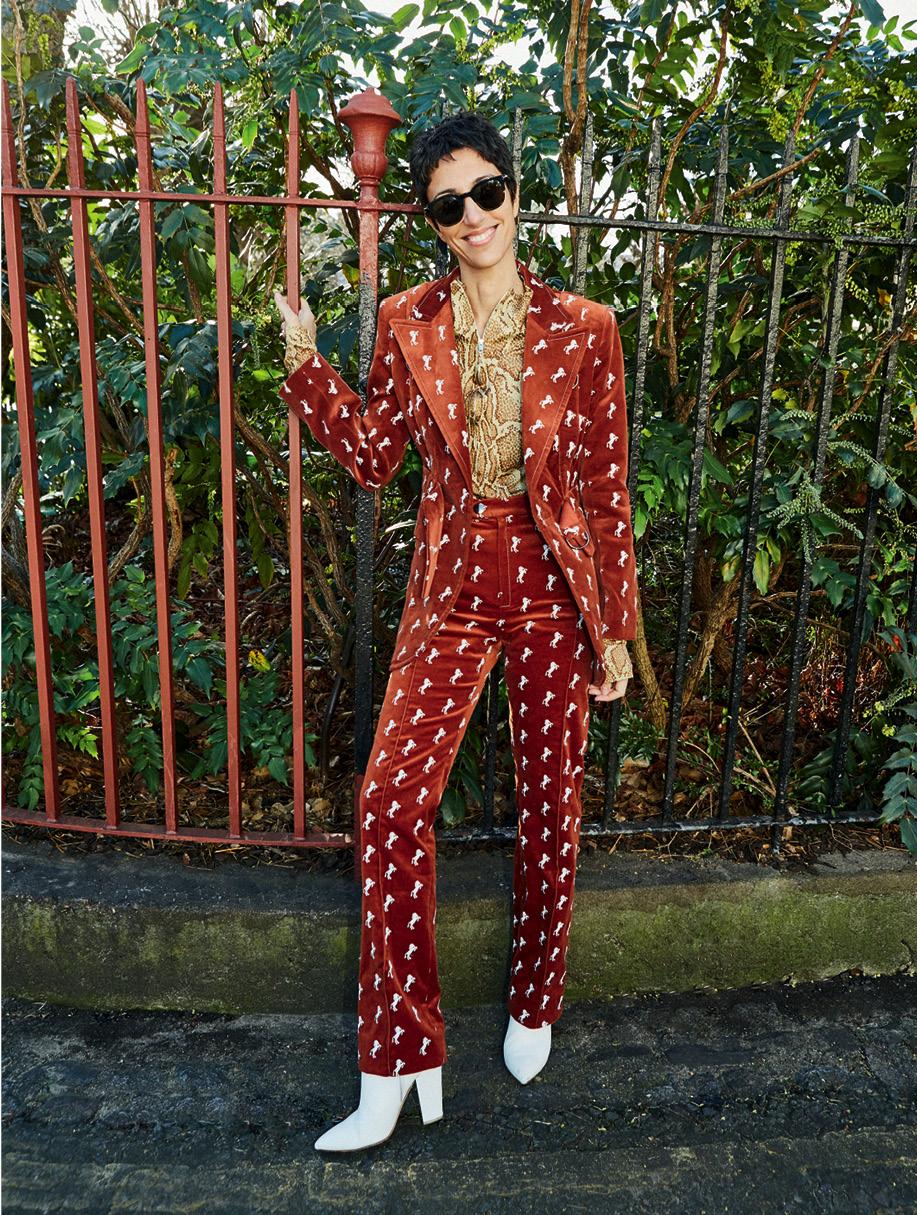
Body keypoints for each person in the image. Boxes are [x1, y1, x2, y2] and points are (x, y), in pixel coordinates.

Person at [273, 110, 637, 1152]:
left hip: (554, 577)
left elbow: (605, 487)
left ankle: (535, 998)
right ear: (431, 219)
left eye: (486, 192)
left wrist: (613, 629)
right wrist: (304, 361)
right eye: (447, 204)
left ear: (514, 195)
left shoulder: (585, 326)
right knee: (389, 801)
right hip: (456, 577)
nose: (472, 215)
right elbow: (375, 455)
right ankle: (398, 1059)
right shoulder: (408, 319)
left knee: (551, 799)